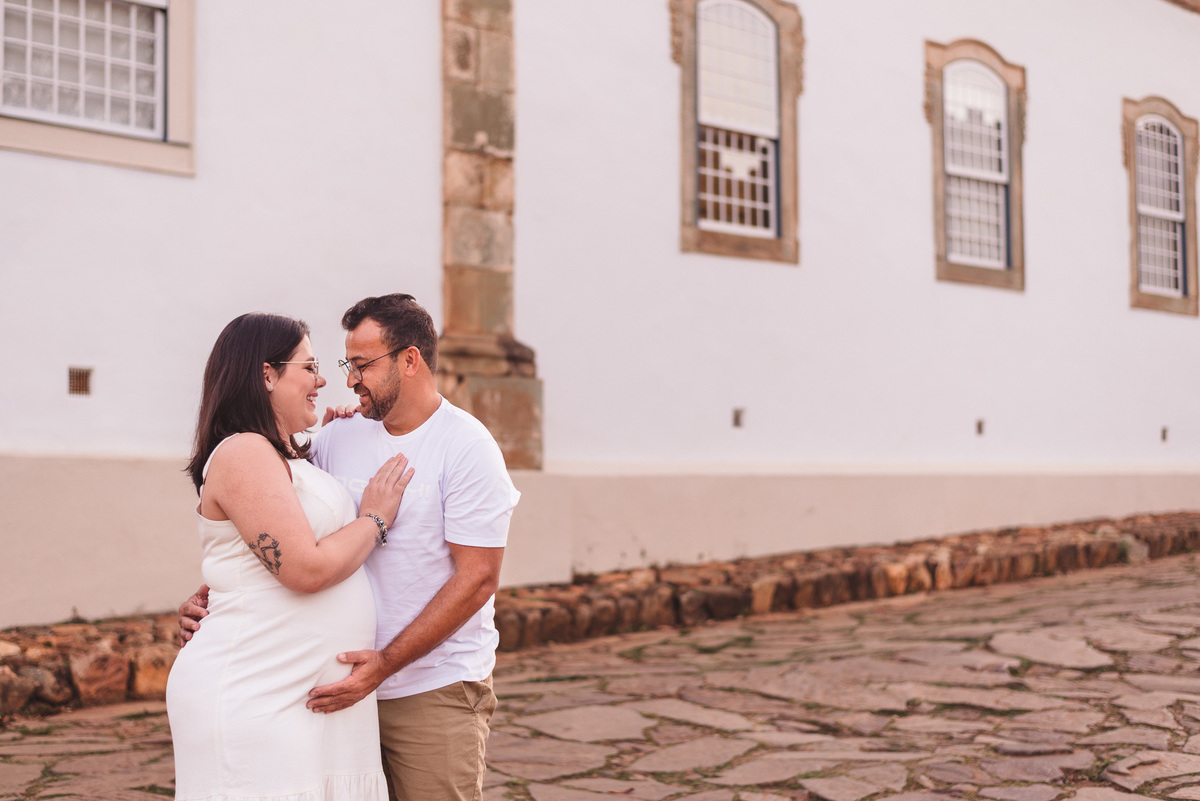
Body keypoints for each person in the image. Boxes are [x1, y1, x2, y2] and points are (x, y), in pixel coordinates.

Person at [179, 294, 520, 801]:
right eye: (343, 364)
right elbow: (279, 525)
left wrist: (384, 663)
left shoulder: (467, 447)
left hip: (427, 686)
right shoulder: (336, 436)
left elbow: (477, 581)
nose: (347, 379)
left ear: (410, 360)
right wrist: (220, 591)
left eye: (361, 364)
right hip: (328, 689)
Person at [167, 312, 414, 801]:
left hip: (304, 693)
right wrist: (375, 518)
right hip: (259, 691)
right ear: (266, 375)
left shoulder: (283, 455)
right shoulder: (242, 452)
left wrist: (330, 438)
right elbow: (304, 568)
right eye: (310, 366)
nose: (323, 379)